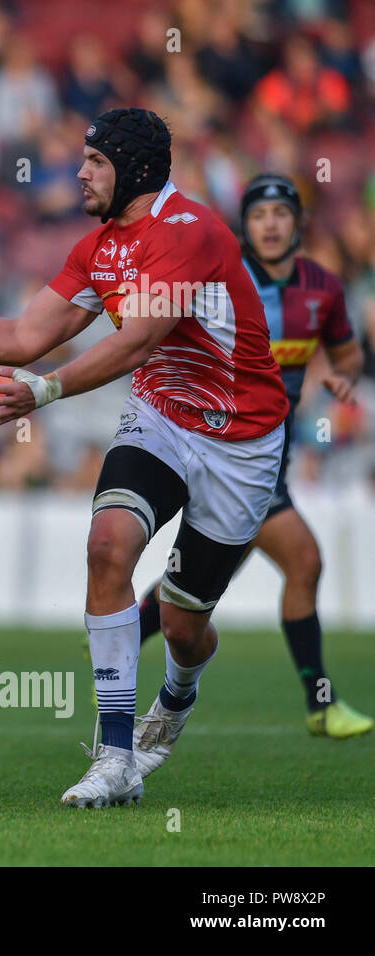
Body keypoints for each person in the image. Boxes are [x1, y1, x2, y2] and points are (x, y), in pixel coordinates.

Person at [0, 108, 290, 808]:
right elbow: (27, 333)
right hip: (161, 420)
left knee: (182, 623)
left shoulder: (189, 231)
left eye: (94, 162)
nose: (79, 173)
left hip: (242, 443)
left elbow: (138, 338)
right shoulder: (99, 249)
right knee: (107, 547)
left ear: (135, 170)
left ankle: (175, 697)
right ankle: (113, 756)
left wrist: (47, 390)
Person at [132, 174, 370, 739]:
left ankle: (111, 644)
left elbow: (348, 351)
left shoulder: (324, 289)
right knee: (302, 562)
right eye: (259, 214)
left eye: (280, 214)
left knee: (190, 589)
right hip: (229, 452)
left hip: (268, 457)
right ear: (246, 225)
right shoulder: (222, 280)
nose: (269, 224)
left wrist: (343, 375)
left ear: (298, 224)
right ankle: (321, 701)